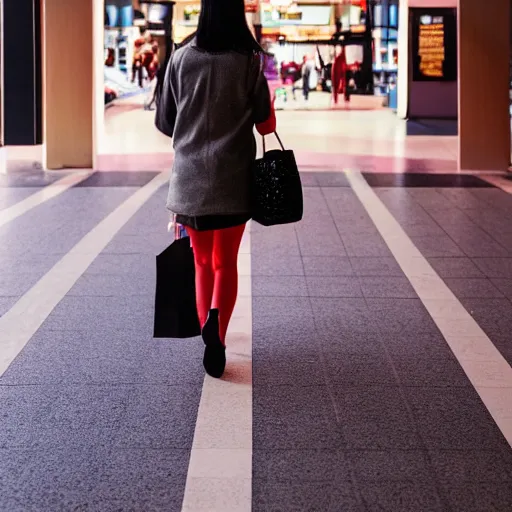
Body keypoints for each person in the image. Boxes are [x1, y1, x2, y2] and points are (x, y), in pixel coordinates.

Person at [155, 0, 276, 379]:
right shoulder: (249, 60)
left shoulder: (180, 57)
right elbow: (265, 125)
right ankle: (217, 336)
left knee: (202, 262)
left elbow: (165, 121)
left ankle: (208, 328)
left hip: (188, 182)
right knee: (226, 263)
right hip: (233, 180)